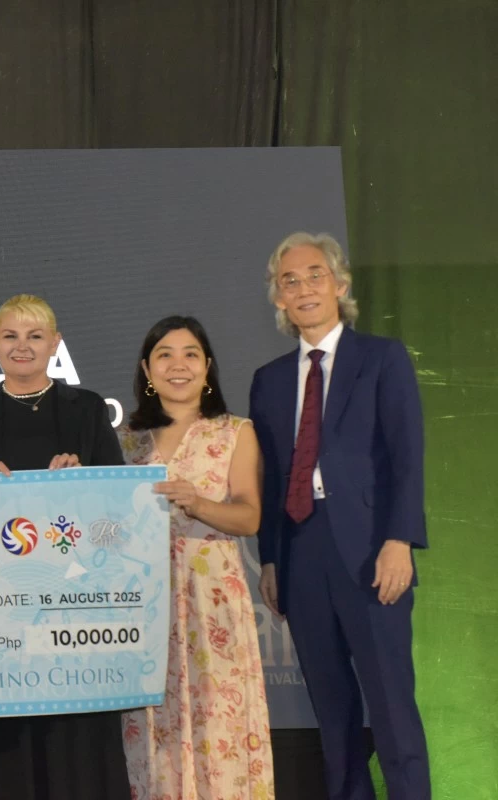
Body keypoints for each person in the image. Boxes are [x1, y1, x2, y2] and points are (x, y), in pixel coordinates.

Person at [250, 232, 430, 800]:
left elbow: (407, 456)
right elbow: (272, 476)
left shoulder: (382, 358)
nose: (303, 288)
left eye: (314, 275)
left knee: (393, 710)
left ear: (340, 285)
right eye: (289, 280)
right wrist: (273, 560)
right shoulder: (269, 379)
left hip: (373, 552)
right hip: (302, 556)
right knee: (334, 715)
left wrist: (400, 538)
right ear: (278, 298)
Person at [0, 294, 130, 800]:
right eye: (10, 336)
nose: (22, 347)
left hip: (77, 611)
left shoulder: (87, 410)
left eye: (35, 336)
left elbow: (118, 517)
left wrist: (86, 484)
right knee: (3, 748)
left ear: (56, 343)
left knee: (77, 746)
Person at [118, 315, 274, 800]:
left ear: (208, 367)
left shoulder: (235, 431)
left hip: (211, 603)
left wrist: (198, 502)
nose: (178, 365)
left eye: (190, 354)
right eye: (165, 354)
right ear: (147, 369)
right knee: (154, 730)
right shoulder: (127, 440)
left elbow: (250, 518)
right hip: (145, 604)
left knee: (219, 722)